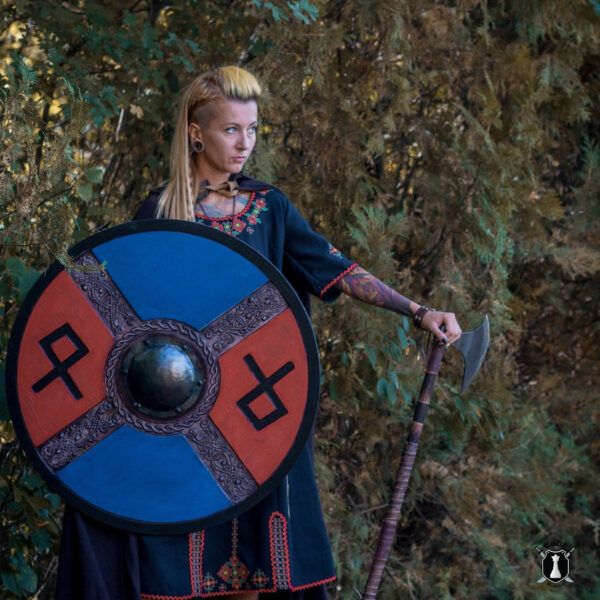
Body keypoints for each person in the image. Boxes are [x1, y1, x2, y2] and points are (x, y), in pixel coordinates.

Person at [56, 66, 461, 600]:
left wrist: (417, 310)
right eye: (231, 130)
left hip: (256, 408)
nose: (245, 143)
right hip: (177, 413)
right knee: (180, 565)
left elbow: (335, 268)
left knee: (259, 571)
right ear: (197, 133)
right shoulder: (159, 211)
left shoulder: (268, 208)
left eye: (252, 129)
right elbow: (118, 319)